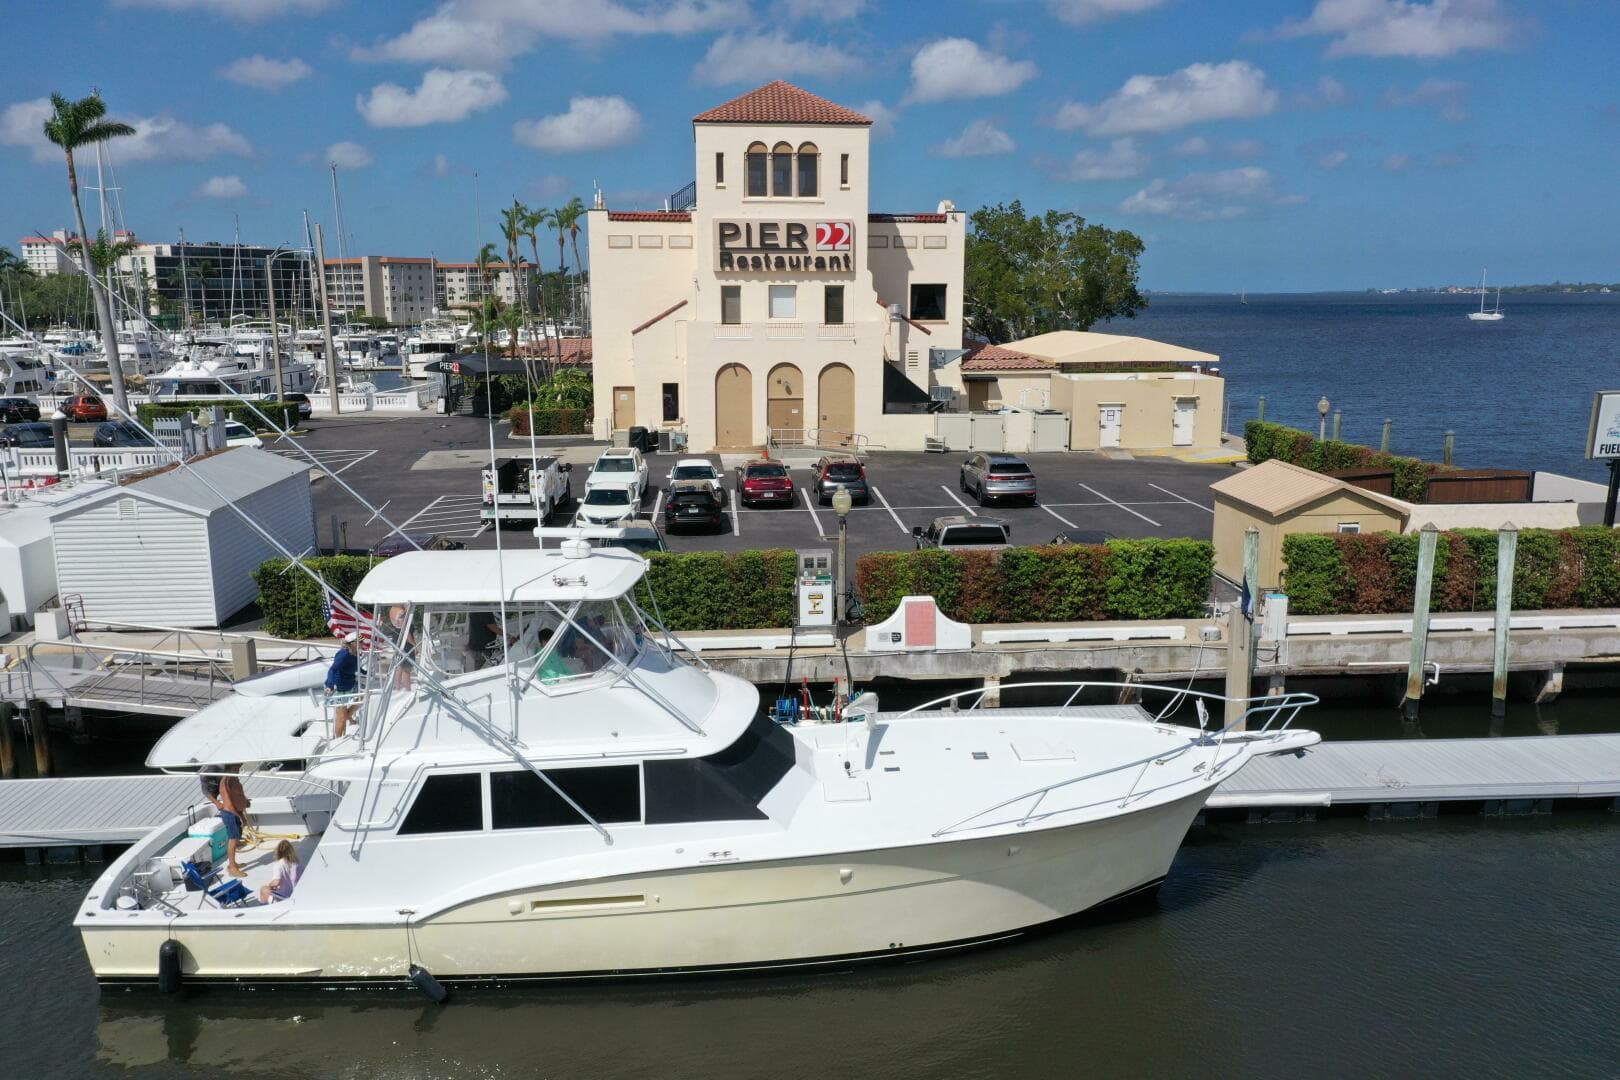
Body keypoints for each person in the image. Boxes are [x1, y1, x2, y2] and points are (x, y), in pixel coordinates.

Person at [218, 764, 251, 878]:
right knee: (232, 840)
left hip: (236, 812)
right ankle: (232, 868)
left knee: (236, 838)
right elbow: (229, 805)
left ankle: (234, 864)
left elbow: (237, 795)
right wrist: (240, 817)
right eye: (237, 768)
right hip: (230, 814)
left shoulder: (233, 779)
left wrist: (244, 803)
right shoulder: (225, 783)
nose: (238, 770)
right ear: (230, 768)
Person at [325, 632, 360, 737]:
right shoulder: (344, 654)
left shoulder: (355, 653)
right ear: (353, 643)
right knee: (340, 718)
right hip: (340, 688)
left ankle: (348, 716)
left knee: (364, 697)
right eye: (360, 641)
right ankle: (337, 740)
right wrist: (329, 685)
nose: (363, 643)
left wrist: (366, 673)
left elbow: (356, 667)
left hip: (351, 684)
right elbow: (333, 670)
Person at [258, 839, 303, 904]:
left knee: (263, 889)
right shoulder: (296, 864)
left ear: (278, 851)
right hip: (294, 893)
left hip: (283, 897)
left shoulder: (278, 864)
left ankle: (263, 907)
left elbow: (276, 882)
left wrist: (270, 885)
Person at [387, 605, 414, 689]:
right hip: (405, 646)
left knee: (399, 666)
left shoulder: (395, 612)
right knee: (407, 669)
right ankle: (407, 689)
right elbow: (407, 634)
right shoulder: (405, 620)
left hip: (397, 643)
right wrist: (414, 645)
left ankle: (397, 687)